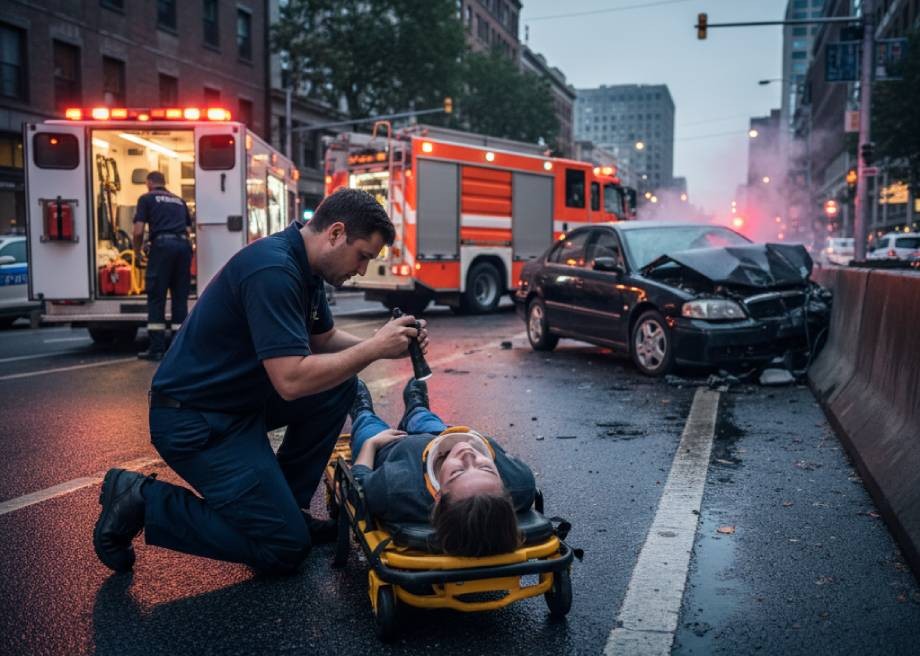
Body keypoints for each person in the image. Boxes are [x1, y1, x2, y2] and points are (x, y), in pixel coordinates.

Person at [93, 188, 429, 575]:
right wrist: (373, 349)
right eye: (363, 256)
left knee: (341, 384)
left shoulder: (308, 269)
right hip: (194, 422)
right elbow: (290, 380)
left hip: (237, 407)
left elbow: (322, 340)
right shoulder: (274, 270)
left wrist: (388, 346)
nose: (363, 270)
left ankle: (284, 506)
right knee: (283, 549)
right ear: (335, 234)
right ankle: (141, 499)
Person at [348, 378, 536, 557]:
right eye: (486, 468)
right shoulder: (521, 483)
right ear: (506, 489)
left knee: (368, 425)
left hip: (392, 446)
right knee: (424, 418)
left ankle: (362, 410)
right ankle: (416, 406)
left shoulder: (395, 488)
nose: (469, 455)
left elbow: (358, 484)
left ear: (438, 498)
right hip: (440, 434)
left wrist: (370, 445)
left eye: (457, 472)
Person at [132, 170, 194, 361]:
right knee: (179, 297)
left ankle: (157, 348)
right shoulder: (179, 200)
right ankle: (178, 348)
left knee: (157, 296)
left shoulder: (146, 198)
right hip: (183, 247)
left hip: (162, 247)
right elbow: (188, 230)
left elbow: (138, 230)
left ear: (149, 182)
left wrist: (137, 251)